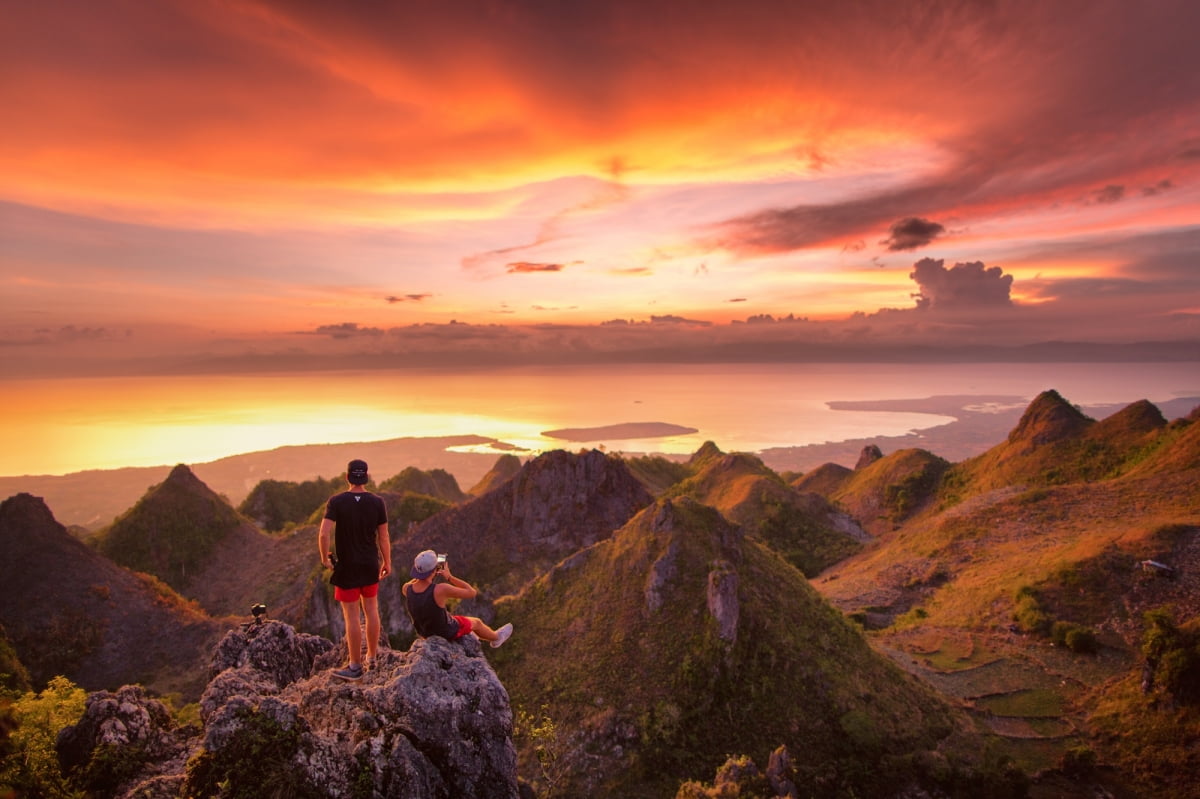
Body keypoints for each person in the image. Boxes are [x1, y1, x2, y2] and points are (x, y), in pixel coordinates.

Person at [318, 459, 392, 681]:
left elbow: (323, 534)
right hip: (370, 565)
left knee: (352, 617)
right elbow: (384, 536)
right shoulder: (377, 502)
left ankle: (355, 666)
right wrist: (387, 562)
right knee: (372, 611)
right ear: (366, 477)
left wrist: (325, 558)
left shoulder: (337, 502)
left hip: (347, 568)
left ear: (347, 477)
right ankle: (371, 657)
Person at [403, 550, 513, 648]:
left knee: (447, 615)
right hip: (445, 632)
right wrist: (449, 577)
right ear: (434, 570)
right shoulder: (440, 589)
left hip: (424, 633)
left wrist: (427, 572)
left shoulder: (406, 588)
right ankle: (496, 638)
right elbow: (471, 592)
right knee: (477, 622)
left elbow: (418, 582)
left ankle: (471, 633)